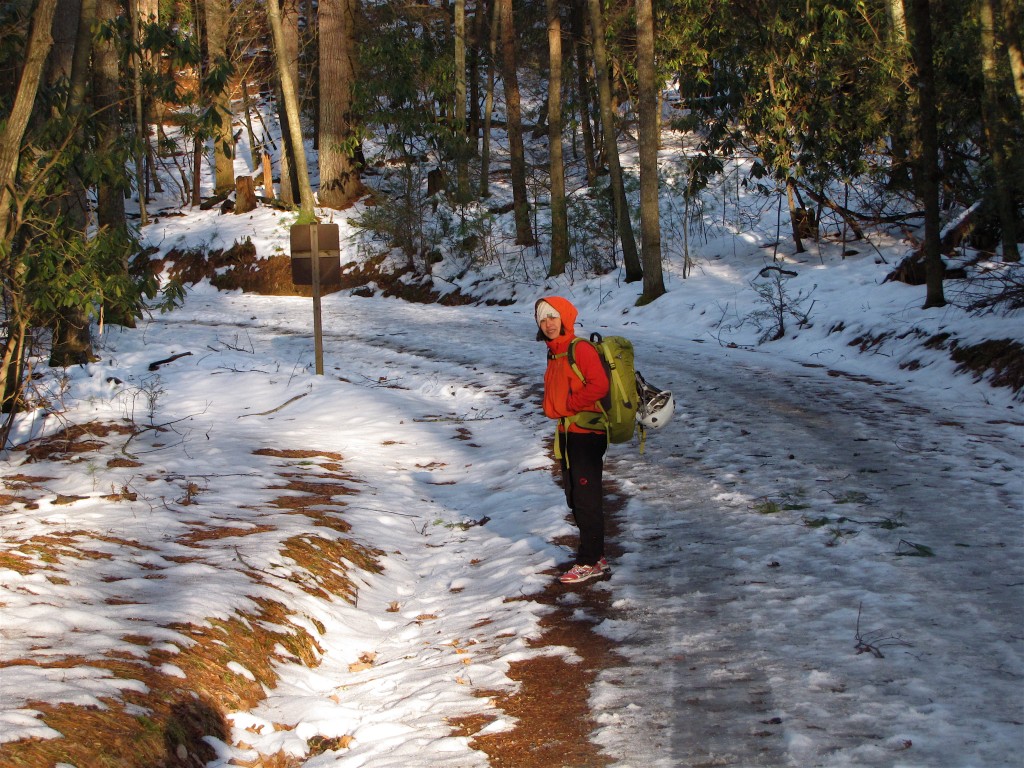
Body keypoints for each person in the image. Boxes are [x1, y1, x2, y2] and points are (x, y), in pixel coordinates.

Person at [535, 296, 611, 584]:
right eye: (543, 319)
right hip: (568, 432)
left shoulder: (580, 349)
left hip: (587, 433)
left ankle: (590, 561)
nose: (548, 324)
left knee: (586, 498)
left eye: (553, 317)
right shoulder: (554, 352)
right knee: (574, 496)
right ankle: (596, 556)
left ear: (565, 318)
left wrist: (568, 406)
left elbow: (599, 385)